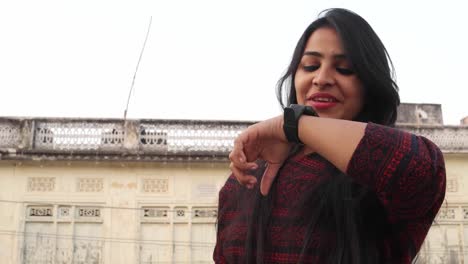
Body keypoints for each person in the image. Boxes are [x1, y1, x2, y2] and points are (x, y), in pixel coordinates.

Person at [213, 8, 446, 264]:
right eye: (310, 66)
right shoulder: (245, 179)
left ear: (370, 84)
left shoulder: (383, 174)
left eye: (345, 69)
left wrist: (292, 126)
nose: (321, 79)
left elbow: (421, 168)